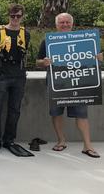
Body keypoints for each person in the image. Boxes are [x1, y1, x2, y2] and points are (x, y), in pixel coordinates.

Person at [36, 12, 103, 158]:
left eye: (67, 22)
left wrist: (99, 57)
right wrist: (44, 62)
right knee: (56, 113)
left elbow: (95, 59)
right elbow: (38, 62)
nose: (65, 24)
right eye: (62, 22)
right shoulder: (48, 41)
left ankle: (87, 145)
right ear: (56, 25)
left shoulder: (85, 40)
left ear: (72, 24)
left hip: (78, 84)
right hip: (56, 84)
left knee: (82, 114)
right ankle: (61, 141)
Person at [0, 4, 32, 157]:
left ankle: (9, 140)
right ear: (8, 16)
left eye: (18, 16)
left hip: (19, 77)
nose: (15, 19)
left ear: (22, 16)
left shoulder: (26, 33)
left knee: (14, 110)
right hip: (0, 76)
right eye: (12, 16)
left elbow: (24, 54)